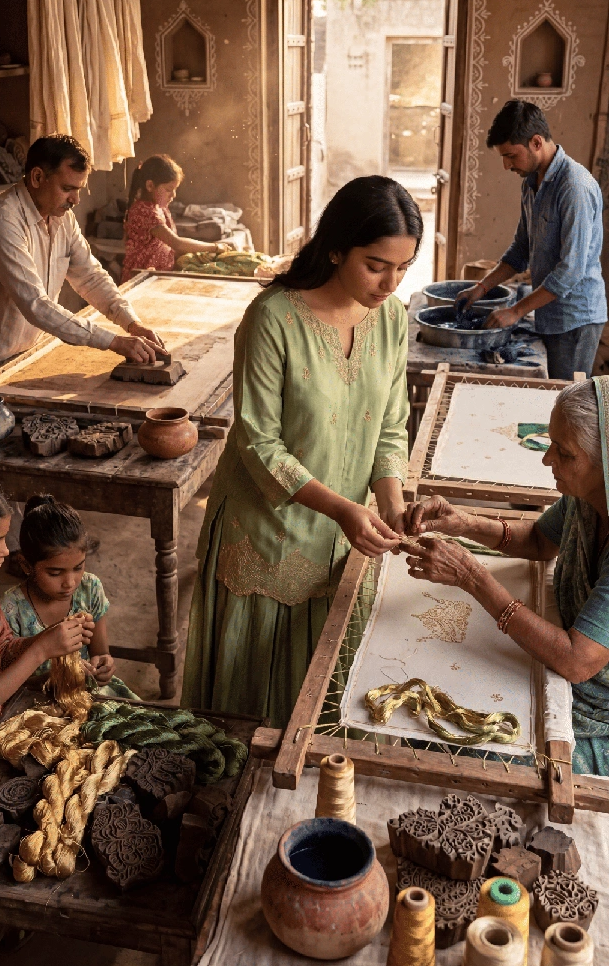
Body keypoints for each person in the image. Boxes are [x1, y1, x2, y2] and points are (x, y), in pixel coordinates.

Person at [182, 175, 422, 727]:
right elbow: (257, 443)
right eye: (376, 264)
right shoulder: (273, 319)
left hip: (347, 531)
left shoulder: (390, 317)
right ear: (336, 248)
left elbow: (390, 424)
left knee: (326, 701)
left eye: (403, 267)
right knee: (254, 711)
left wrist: (391, 503)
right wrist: (342, 508)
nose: (390, 282)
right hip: (270, 530)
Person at [400, 376, 609, 776]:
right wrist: (463, 523)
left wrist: (472, 576)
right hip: (569, 658)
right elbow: (539, 542)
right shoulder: (588, 499)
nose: (547, 460)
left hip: (598, 712)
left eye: (564, 453)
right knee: (432, 715)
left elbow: (577, 662)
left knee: (460, 749)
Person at [0, 134, 165, 389]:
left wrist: (132, 323)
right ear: (38, 177)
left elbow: (91, 277)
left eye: (78, 189)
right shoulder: (1, 219)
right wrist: (114, 342)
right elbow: (36, 304)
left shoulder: (63, 218)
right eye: (67, 188)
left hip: (27, 356)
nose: (76, 199)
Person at [0, 477, 91, 775]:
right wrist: (39, 652)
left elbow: (3, 647)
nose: (5, 551)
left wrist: (47, 640)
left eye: (3, 539)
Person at [456, 100, 606, 380]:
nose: (506, 165)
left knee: (565, 403)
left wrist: (515, 312)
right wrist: (481, 288)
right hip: (547, 312)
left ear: (536, 142)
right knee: (546, 401)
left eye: (511, 156)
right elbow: (520, 251)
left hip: (575, 318)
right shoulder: (531, 183)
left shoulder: (574, 187)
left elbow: (570, 271)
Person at [1, 494, 135, 699]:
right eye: (55, 573)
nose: (70, 582)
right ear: (26, 565)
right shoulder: (12, 609)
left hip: (85, 691)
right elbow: (11, 685)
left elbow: (100, 652)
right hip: (36, 701)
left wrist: (103, 665)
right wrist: (58, 675)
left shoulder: (90, 588)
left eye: (78, 567)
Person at [121, 154, 227, 282]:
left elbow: (167, 247)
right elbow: (177, 243)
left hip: (156, 276)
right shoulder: (144, 211)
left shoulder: (160, 208)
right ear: (150, 186)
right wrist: (214, 247)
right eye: (168, 189)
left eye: (175, 189)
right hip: (140, 279)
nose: (173, 195)